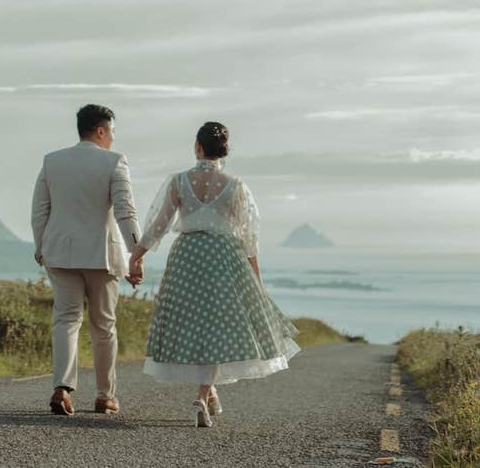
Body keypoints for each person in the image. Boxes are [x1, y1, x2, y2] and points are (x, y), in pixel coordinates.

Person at [128, 122, 299, 428]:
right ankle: (202, 396)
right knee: (217, 327)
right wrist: (255, 278)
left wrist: (137, 255)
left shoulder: (179, 181)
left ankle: (208, 393)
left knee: (197, 326)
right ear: (225, 150)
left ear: (198, 147)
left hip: (187, 257)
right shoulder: (235, 185)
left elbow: (159, 225)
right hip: (223, 257)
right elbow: (249, 238)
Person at [31, 104, 142, 416]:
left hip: (60, 253)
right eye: (112, 132)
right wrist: (136, 254)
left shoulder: (52, 161)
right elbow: (125, 212)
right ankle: (105, 396)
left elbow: (40, 210)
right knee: (103, 325)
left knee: (66, 320)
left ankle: (62, 389)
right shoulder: (115, 162)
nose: (113, 139)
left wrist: (41, 247)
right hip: (101, 256)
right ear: (102, 131)